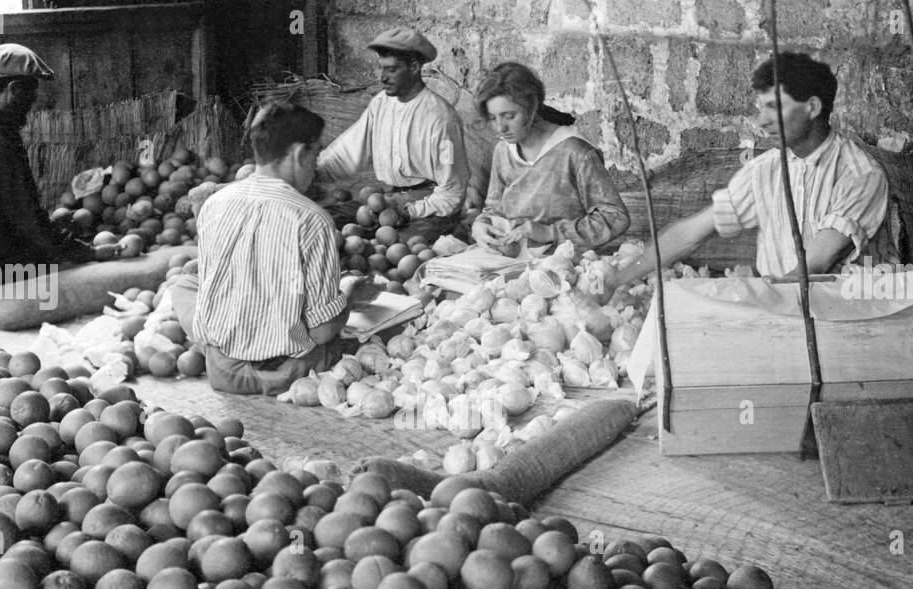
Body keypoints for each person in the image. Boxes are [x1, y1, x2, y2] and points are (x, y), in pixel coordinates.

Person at [613, 52, 896, 286]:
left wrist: (754, 305)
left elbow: (815, 263)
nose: (762, 121)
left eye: (774, 107)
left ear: (811, 107)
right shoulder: (766, 169)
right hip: (784, 299)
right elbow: (688, 235)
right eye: (761, 108)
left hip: (849, 311)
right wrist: (618, 280)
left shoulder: (860, 174)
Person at [183, 101, 357, 396]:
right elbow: (323, 332)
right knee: (361, 335)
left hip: (222, 371)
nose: (317, 164)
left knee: (184, 285)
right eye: (316, 153)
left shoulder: (213, 204)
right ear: (300, 153)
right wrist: (349, 293)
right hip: (289, 373)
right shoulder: (312, 219)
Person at [0, 43, 95, 305]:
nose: (32, 105)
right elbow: (26, 220)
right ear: (13, 90)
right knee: (87, 278)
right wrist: (84, 253)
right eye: (30, 95)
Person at [316, 27, 469, 239]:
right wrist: (313, 172)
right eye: (381, 68)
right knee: (322, 219)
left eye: (391, 69)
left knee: (397, 247)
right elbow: (348, 152)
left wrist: (409, 211)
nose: (382, 78)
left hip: (431, 204)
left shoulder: (441, 119)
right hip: (387, 198)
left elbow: (453, 192)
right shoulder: (380, 104)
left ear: (415, 67)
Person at [470, 62, 630, 253]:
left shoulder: (575, 152)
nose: (500, 128)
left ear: (531, 107)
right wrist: (480, 225)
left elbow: (616, 217)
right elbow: (494, 209)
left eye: (509, 116)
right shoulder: (503, 151)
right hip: (514, 260)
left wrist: (550, 232)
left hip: (565, 263)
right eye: (493, 118)